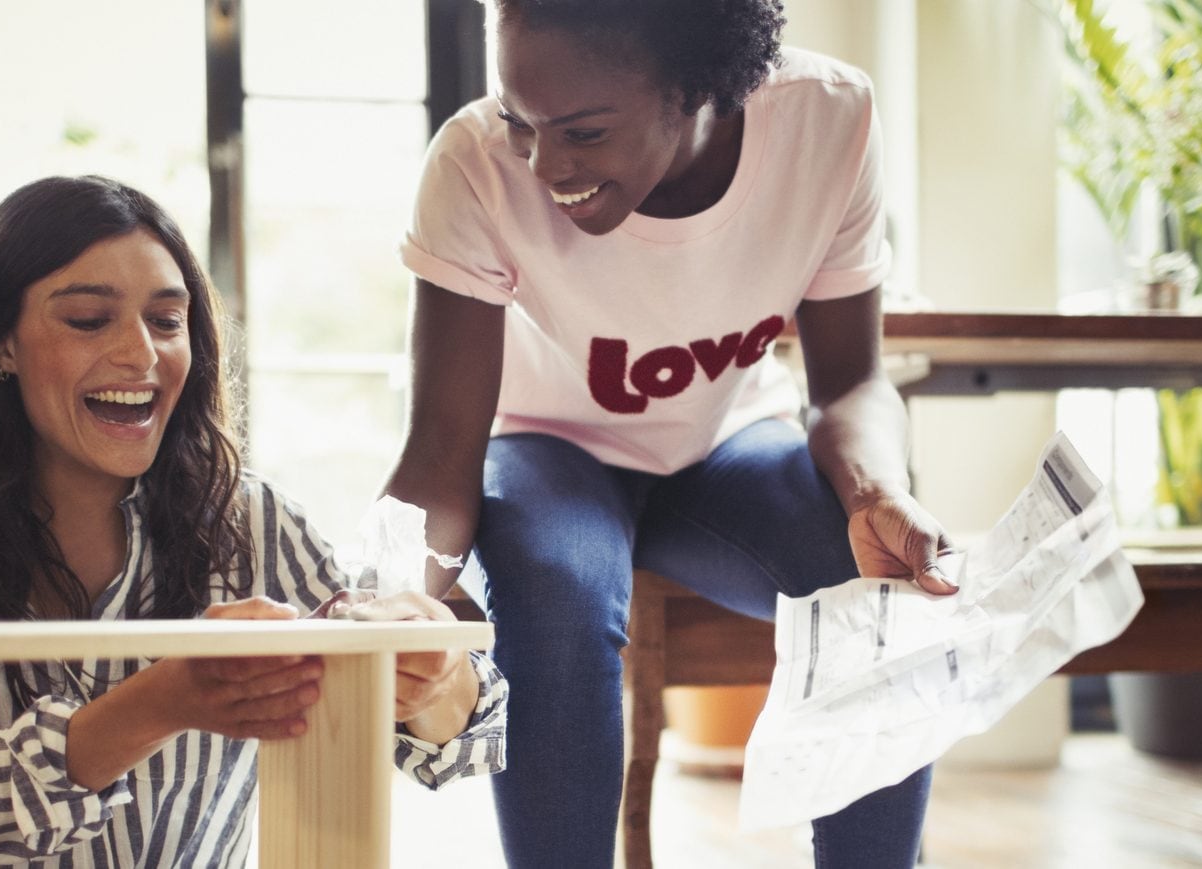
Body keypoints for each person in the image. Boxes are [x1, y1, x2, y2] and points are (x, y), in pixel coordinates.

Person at [384, 1, 952, 865]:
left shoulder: (827, 118)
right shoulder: (473, 165)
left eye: (581, 132)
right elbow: (438, 457)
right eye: (520, 123)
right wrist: (387, 597)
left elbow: (851, 384)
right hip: (547, 450)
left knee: (869, 583)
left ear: (695, 86)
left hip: (729, 442)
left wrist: (879, 492)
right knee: (554, 591)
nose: (544, 165)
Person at [0, 175, 506, 867]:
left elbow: (462, 737)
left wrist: (434, 677)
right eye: (89, 319)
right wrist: (161, 700)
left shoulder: (251, 520)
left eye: (166, 320)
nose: (142, 355)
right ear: (1, 343)